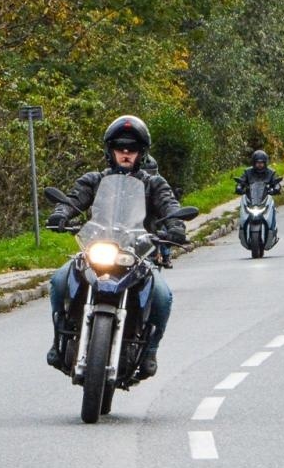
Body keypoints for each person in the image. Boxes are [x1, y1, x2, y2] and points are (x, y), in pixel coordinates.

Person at [44, 115, 187, 378]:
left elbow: (170, 206)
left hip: (136, 256)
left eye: (131, 148)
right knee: (59, 280)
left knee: (162, 296)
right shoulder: (94, 180)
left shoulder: (154, 183)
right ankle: (59, 341)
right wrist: (62, 213)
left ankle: (150, 352)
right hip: (96, 250)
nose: (125, 152)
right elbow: (75, 199)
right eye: (120, 147)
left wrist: (176, 226)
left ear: (141, 153)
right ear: (110, 150)